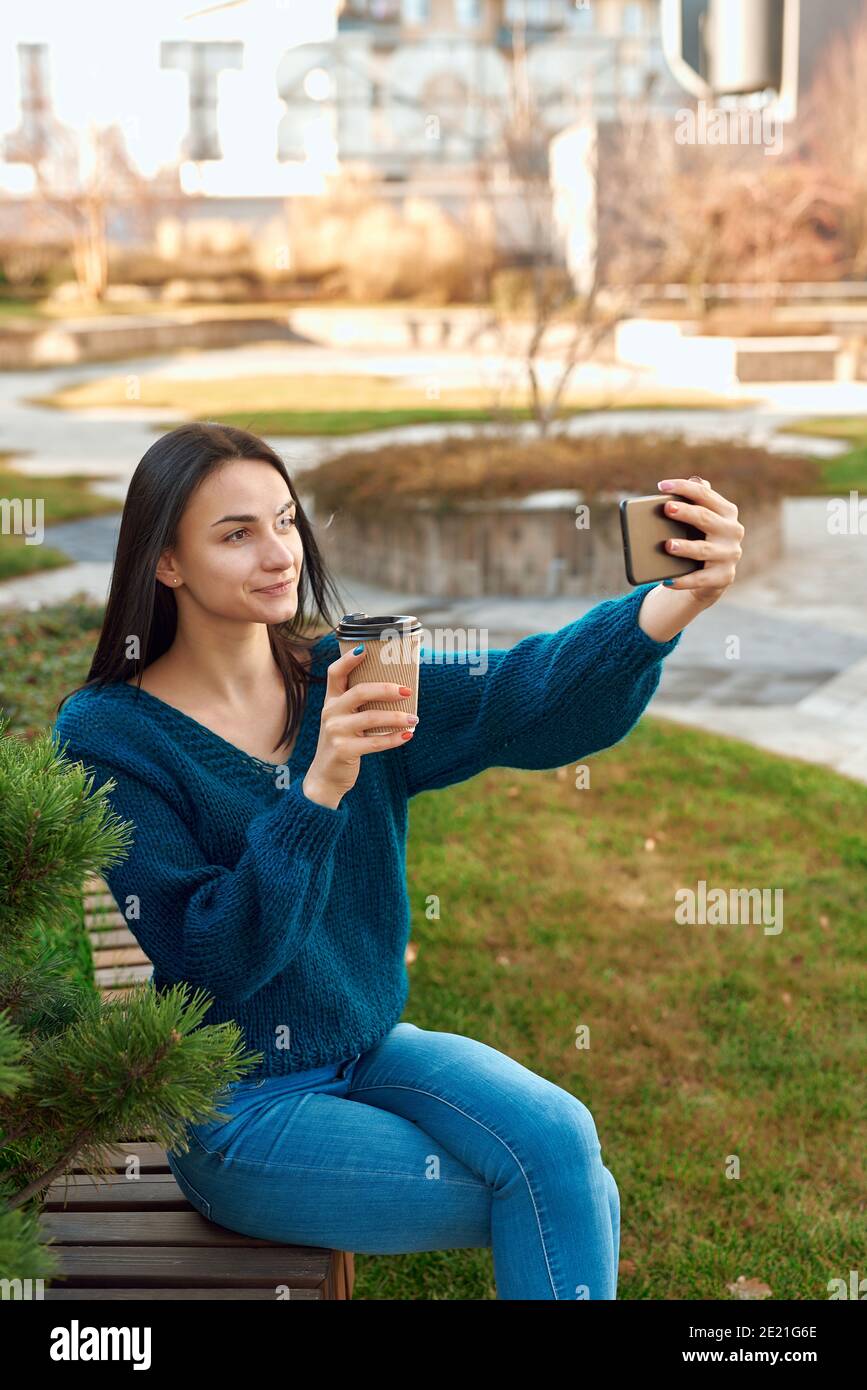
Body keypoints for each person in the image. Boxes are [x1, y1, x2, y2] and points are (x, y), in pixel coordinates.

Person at [51, 421, 744, 1300]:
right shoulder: (112, 735)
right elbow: (207, 959)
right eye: (236, 534)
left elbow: (522, 696)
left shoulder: (352, 671)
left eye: (286, 521)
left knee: (560, 1137)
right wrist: (319, 787)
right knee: (562, 1188)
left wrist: (670, 605)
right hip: (238, 1106)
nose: (278, 555)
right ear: (167, 564)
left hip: (368, 1046)